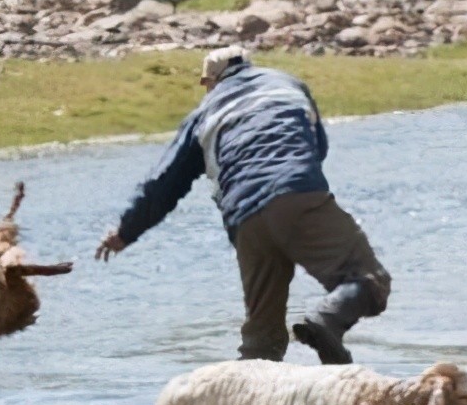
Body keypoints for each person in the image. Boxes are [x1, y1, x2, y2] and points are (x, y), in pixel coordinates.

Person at [94, 46, 390, 364]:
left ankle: (242, 401)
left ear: (210, 80)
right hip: (296, 193)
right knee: (367, 280)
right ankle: (326, 320)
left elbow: (164, 183)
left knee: (262, 339)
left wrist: (125, 231)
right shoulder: (286, 84)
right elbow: (317, 146)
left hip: (245, 221)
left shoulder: (203, 115)